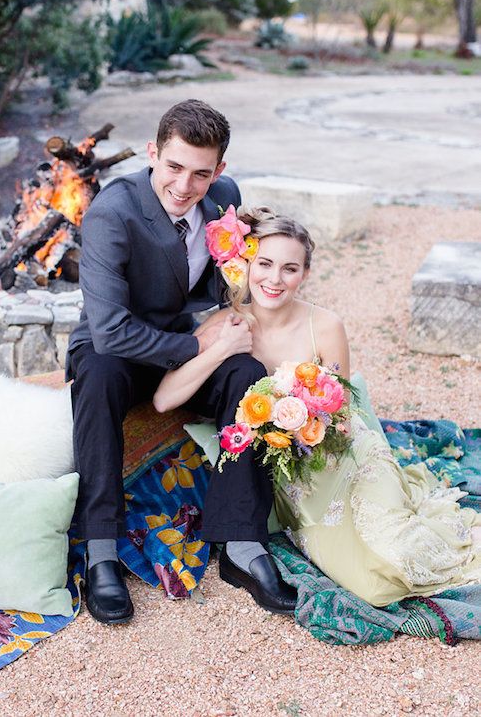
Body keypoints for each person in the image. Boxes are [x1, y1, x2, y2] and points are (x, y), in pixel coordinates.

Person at [154, 207, 481, 607]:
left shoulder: (325, 325)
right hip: (293, 470)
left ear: (304, 274)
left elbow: (341, 410)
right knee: (374, 578)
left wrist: (306, 416)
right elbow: (164, 398)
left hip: (339, 450)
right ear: (246, 264)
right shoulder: (226, 325)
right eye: (265, 264)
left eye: (289, 269)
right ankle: (247, 550)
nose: (275, 279)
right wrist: (221, 349)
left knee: (397, 539)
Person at [67, 101, 297, 625]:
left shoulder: (225, 198)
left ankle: (240, 545)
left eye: (201, 172)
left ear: (218, 170)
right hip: (118, 350)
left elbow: (225, 276)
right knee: (97, 375)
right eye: (174, 167)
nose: (184, 185)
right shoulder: (111, 211)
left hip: (183, 340)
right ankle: (100, 548)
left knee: (246, 375)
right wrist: (199, 345)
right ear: (153, 153)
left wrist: (234, 302)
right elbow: (109, 329)